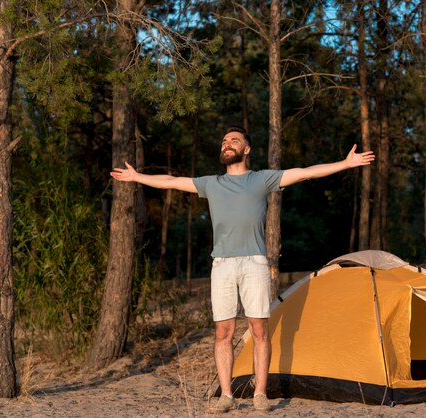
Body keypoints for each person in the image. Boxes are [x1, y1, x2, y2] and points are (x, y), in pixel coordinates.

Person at [110, 126, 375, 413]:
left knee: (259, 330)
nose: (227, 143)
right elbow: (171, 181)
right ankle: (226, 395)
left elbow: (305, 172)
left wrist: (346, 164)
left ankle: (259, 394)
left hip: (254, 263)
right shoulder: (211, 183)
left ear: (246, 149)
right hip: (222, 264)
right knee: (223, 332)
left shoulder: (262, 179)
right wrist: (137, 177)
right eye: (224, 141)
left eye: (234, 140)